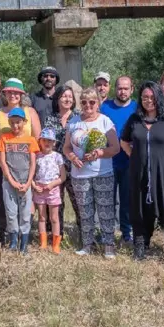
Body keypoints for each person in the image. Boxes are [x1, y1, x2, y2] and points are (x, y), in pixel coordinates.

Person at [121, 82, 164, 263]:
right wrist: (134, 155)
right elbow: (124, 141)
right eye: (144, 97)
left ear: (158, 97)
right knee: (140, 209)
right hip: (139, 173)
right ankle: (141, 245)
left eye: (152, 97)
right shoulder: (135, 119)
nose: (148, 101)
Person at [64, 88, 121, 259]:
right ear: (80, 103)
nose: (88, 106)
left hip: (102, 172)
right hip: (80, 174)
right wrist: (72, 156)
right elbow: (66, 147)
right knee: (85, 211)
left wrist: (99, 153)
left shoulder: (105, 121)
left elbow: (115, 148)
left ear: (98, 103)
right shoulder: (73, 122)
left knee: (105, 211)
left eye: (92, 102)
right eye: (84, 102)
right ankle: (87, 245)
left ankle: (109, 246)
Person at [0, 78, 41, 241]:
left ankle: (25, 234)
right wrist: (4, 164)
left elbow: (37, 138)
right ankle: (5, 236)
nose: (13, 95)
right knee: (4, 201)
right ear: (4, 93)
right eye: (9, 92)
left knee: (26, 200)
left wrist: (31, 162)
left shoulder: (30, 112)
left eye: (16, 92)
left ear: (21, 94)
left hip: (26, 166)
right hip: (1, 165)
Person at [0, 107, 39, 254]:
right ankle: (13, 242)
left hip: (25, 183)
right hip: (9, 183)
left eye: (18, 122)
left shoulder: (31, 140)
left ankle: (24, 244)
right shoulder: (4, 139)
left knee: (25, 214)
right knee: (11, 212)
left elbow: (33, 163)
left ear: (24, 122)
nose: (15, 126)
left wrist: (28, 183)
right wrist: (11, 180)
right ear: (9, 122)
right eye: (12, 122)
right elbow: (2, 162)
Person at [101, 76, 138, 245]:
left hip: (130, 161)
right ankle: (106, 233)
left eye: (126, 88)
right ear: (115, 88)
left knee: (127, 199)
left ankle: (126, 233)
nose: (122, 91)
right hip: (108, 161)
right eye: (120, 88)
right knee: (107, 200)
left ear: (132, 89)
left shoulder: (137, 108)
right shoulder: (105, 107)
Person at [45, 85, 81, 239]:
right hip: (55, 168)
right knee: (55, 202)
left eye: (70, 97)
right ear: (57, 99)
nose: (67, 99)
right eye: (64, 96)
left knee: (79, 201)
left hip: (75, 166)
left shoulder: (79, 117)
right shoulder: (50, 118)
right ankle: (56, 234)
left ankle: (85, 233)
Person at [33, 128, 66, 254]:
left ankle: (56, 244)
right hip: (40, 189)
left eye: (50, 141)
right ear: (40, 141)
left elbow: (63, 177)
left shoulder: (57, 156)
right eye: (44, 140)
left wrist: (52, 184)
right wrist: (34, 186)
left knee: (54, 217)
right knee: (41, 216)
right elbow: (32, 174)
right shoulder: (36, 156)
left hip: (53, 190)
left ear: (54, 143)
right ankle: (43, 242)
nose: (47, 143)